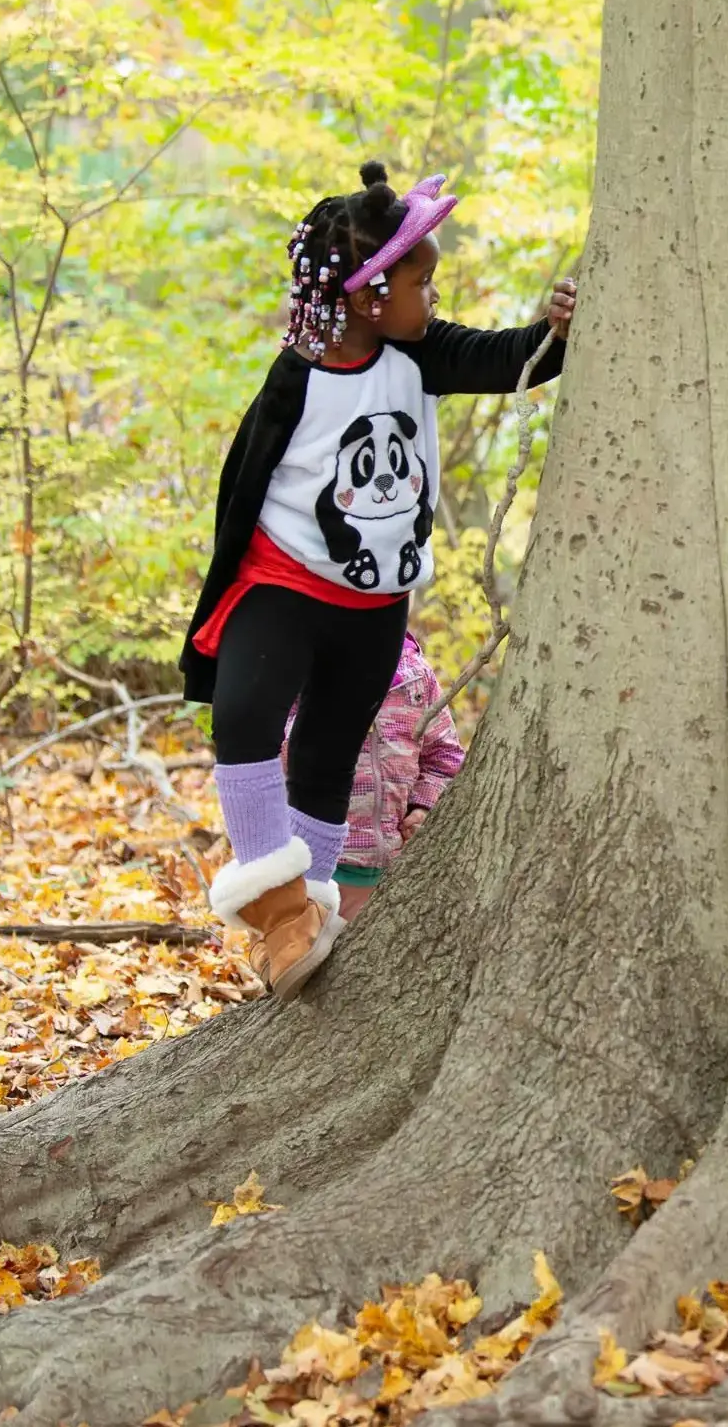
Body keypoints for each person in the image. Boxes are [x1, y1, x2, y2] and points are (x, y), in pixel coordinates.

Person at [180, 161, 574, 997]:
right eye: (420, 281)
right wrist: (219, 602)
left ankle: (307, 928)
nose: (432, 298)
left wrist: (557, 331)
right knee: (245, 722)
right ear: (367, 297)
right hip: (284, 580)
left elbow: (510, 360)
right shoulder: (298, 377)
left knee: (323, 757)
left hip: (374, 603)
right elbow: (241, 483)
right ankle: (280, 911)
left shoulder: (421, 355)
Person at [284, 630, 465, 919]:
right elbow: (265, 753)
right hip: (312, 866)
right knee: (301, 954)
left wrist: (423, 807)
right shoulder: (299, 669)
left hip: (391, 870)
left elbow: (445, 758)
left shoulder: (415, 677)